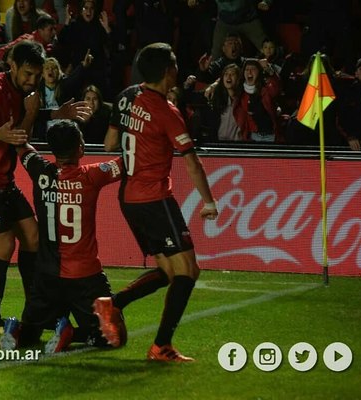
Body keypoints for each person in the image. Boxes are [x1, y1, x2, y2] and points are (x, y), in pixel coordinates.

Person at [0, 40, 91, 334]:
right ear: (11, 66)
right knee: (4, 244)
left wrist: (55, 114)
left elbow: (25, 121)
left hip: (1, 178)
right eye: (27, 73)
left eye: (36, 75)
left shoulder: (25, 92)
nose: (32, 80)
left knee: (33, 237)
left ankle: (35, 312)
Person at [99, 43, 219, 362]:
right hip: (154, 198)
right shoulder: (167, 112)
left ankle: (114, 304)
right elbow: (192, 162)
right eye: (176, 65)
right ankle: (161, 346)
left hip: (128, 198)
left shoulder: (126, 95)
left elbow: (110, 142)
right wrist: (208, 200)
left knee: (168, 271)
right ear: (168, 71)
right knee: (188, 271)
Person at [0, 120, 126, 353]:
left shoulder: (39, 170)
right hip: (85, 278)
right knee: (113, 336)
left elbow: (22, 147)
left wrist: (21, 123)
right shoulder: (92, 175)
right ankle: (70, 333)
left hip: (47, 276)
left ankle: (15, 330)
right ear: (80, 147)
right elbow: (127, 163)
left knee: (32, 332)